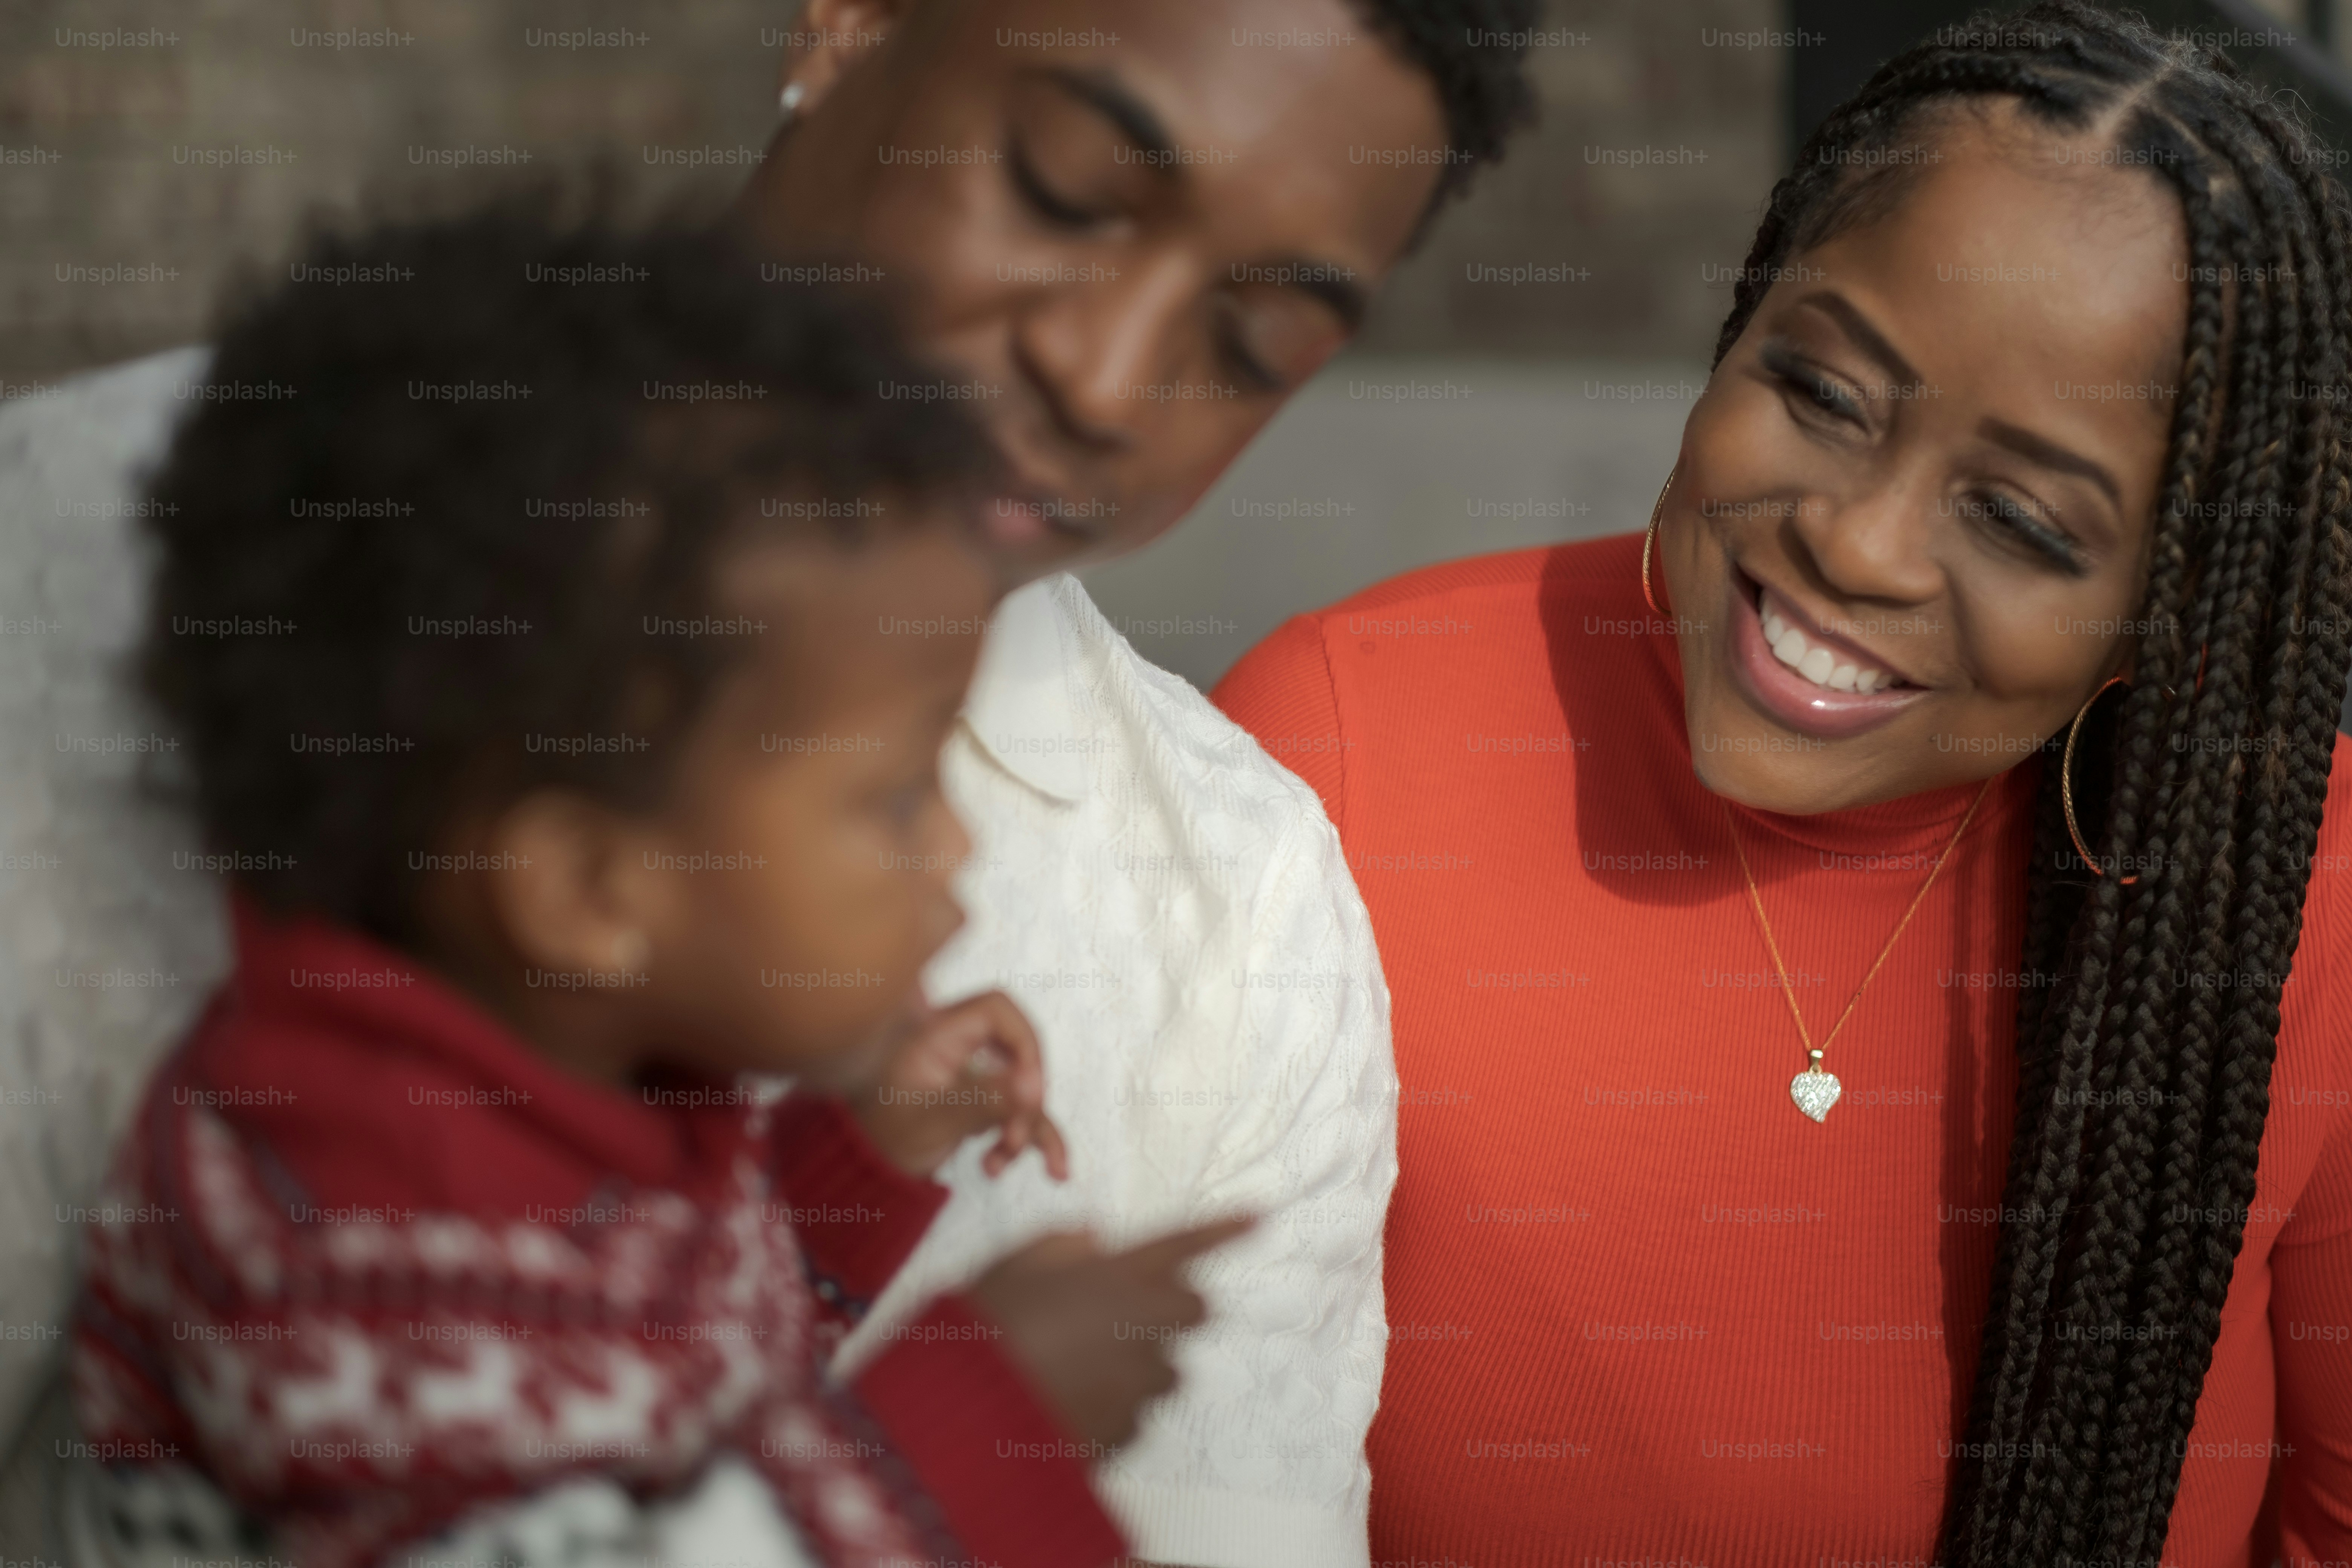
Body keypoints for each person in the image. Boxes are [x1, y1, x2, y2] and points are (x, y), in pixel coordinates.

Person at [2, 5, 1542, 1565]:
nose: (1106, 377)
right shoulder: (65, 589)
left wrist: (860, 1175)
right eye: (1065, 188)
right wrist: (961, 1423)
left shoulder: (1242, 911)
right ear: (851, 19)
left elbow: (666, 1348)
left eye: (1253, 347)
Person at [1212, 5, 2352, 1564]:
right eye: (1821, 391)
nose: (1858, 543)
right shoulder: (1334, 748)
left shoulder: (2299, 891)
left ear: (2172, 605)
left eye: (2021, 519)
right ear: (1743, 319)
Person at [67, 207, 1241, 1568]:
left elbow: (661, 1396)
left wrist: (854, 1171)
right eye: (896, 798)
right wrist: (971, 1433)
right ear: (588, 890)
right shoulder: (344, 1224)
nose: (958, 851)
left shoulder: (577, 1090)